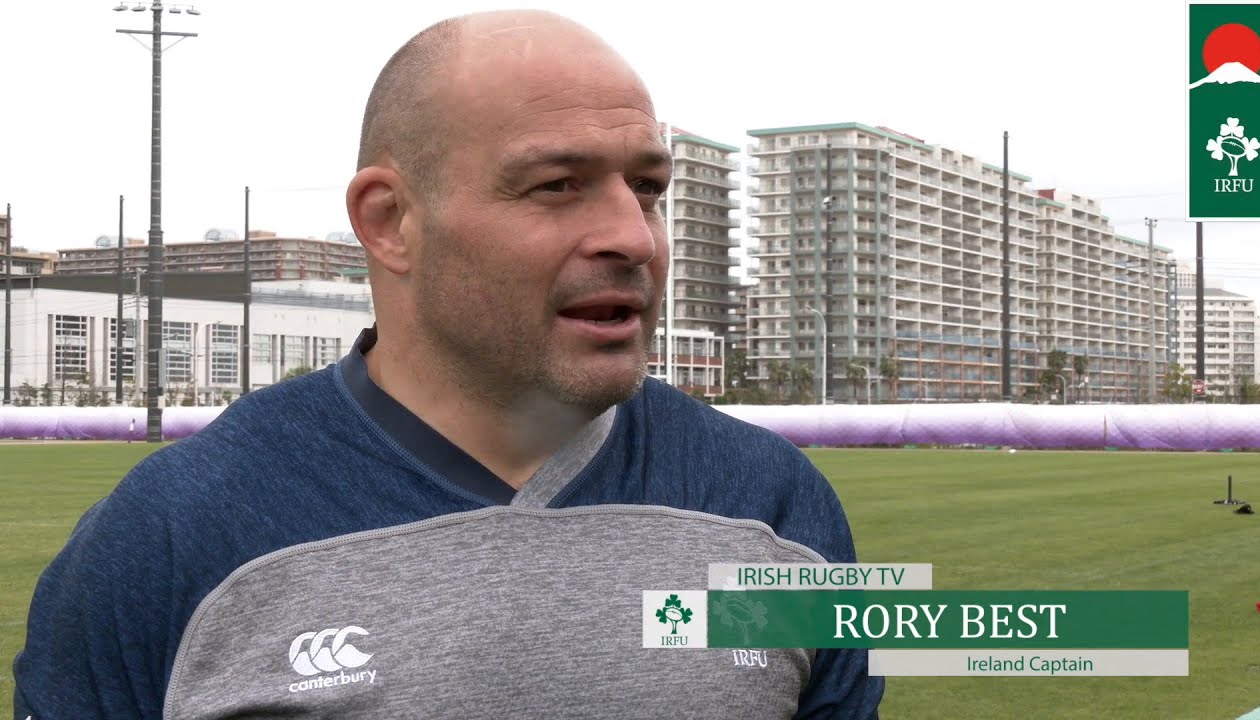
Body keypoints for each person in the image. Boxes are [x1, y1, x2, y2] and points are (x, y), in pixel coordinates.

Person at [12, 9, 883, 719]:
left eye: (647, 188)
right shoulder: (170, 536)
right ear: (389, 221)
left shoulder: (776, 506)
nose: (633, 236)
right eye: (557, 185)